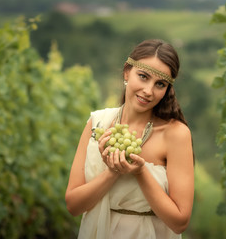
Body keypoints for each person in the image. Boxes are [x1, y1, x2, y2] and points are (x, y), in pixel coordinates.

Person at [65, 39, 195, 239]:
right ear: (127, 72)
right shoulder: (97, 123)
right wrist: (112, 173)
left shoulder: (176, 134)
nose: (148, 91)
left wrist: (141, 173)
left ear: (167, 89)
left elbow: (179, 222)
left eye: (160, 84)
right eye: (143, 77)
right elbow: (73, 206)